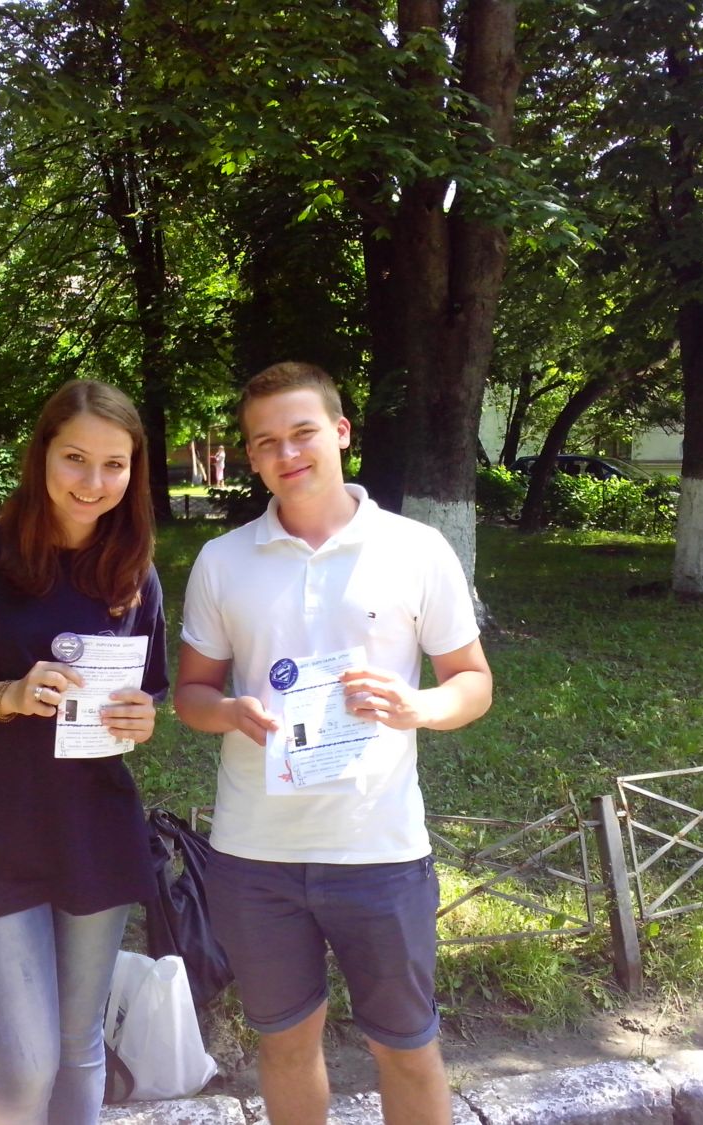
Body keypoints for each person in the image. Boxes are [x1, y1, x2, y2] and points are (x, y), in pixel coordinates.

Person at [174, 362, 493, 1125]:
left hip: (379, 849)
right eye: (266, 442)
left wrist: (418, 705)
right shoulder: (223, 560)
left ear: (341, 432)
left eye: (303, 432)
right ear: (251, 457)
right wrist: (230, 712)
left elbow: (473, 681)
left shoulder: (415, 549)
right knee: (284, 1047)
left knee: (406, 1048)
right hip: (256, 856)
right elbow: (190, 695)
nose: (287, 453)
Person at [0, 380, 168, 1125]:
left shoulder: (134, 572)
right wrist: (10, 696)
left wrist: (142, 719)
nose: (93, 482)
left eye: (114, 464)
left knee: (80, 1048)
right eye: (75, 458)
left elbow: (146, 697)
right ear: (42, 454)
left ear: (134, 471)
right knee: (25, 1064)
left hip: (94, 831)